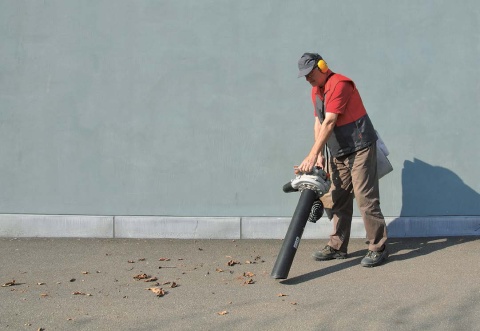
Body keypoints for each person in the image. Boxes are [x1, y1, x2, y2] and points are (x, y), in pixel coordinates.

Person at [296, 52, 388, 267]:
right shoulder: (315, 91)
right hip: (339, 150)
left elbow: (330, 122)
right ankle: (337, 246)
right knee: (338, 198)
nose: (308, 78)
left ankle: (378, 247)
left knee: (366, 199)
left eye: (310, 73)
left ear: (322, 66)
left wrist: (310, 155)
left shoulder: (340, 84)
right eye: (304, 75)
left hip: (360, 147)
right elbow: (319, 122)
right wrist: (318, 155)